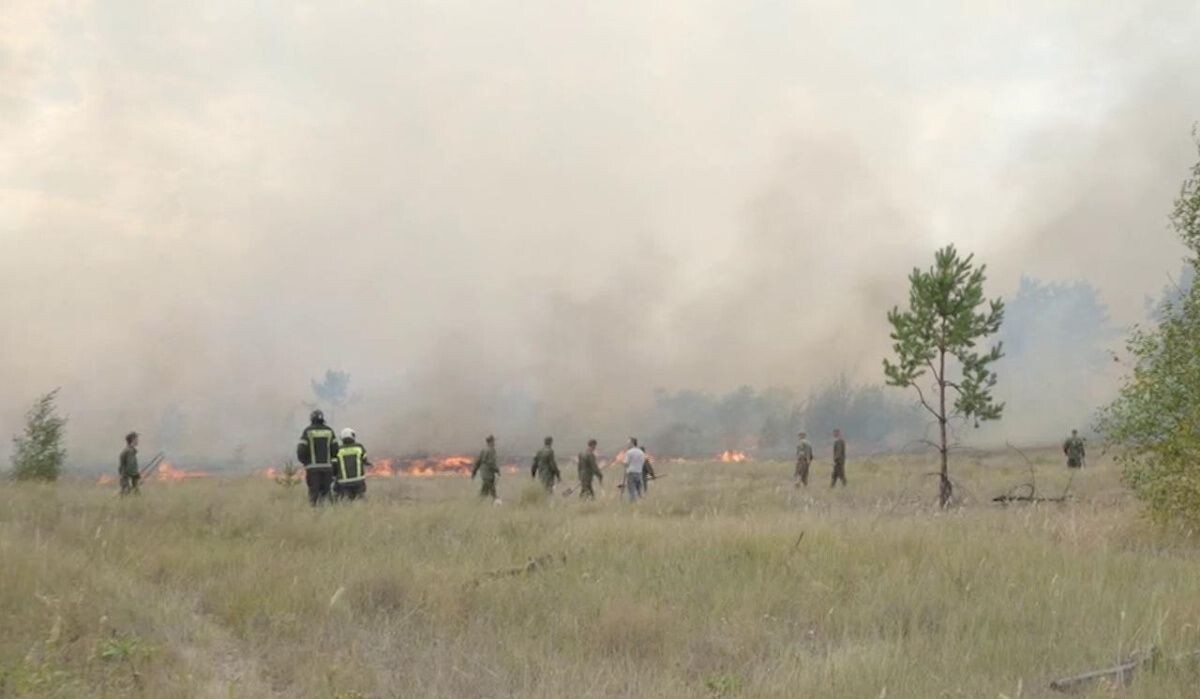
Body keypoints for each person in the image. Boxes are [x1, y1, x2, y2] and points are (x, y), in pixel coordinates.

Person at [297, 409, 337, 506]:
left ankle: (314, 513)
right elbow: (335, 450)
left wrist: (305, 462)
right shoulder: (329, 431)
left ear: (311, 419)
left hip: (312, 469)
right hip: (327, 468)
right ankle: (328, 513)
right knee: (327, 492)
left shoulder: (308, 431)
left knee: (314, 492)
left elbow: (301, 450)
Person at [332, 428, 369, 501]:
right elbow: (365, 460)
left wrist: (335, 476)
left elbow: (334, 466)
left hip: (343, 482)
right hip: (359, 481)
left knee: (345, 501)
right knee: (360, 500)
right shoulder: (359, 447)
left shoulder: (337, 450)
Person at [472, 435, 500, 500]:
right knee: (491, 492)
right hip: (489, 475)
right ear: (490, 442)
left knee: (485, 492)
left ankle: (477, 504)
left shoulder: (483, 450)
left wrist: (474, 472)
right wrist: (497, 470)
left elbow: (478, 462)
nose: (494, 443)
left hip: (484, 474)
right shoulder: (492, 450)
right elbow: (491, 463)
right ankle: (496, 503)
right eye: (493, 441)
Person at [622, 437, 647, 502]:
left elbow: (626, 463)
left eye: (628, 443)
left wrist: (623, 462)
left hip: (631, 473)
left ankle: (633, 504)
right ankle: (641, 503)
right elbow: (643, 462)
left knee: (632, 491)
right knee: (639, 491)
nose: (627, 445)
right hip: (639, 473)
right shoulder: (641, 452)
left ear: (632, 443)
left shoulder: (629, 452)